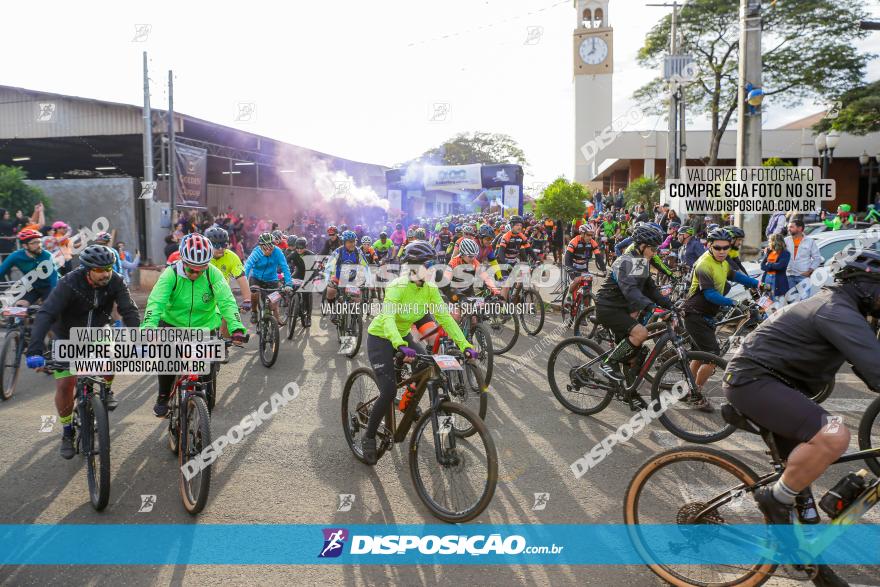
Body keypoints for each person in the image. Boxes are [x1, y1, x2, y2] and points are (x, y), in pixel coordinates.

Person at [723, 249, 880, 526]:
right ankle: (773, 498)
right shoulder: (836, 310)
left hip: (774, 384)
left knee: (804, 508)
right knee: (834, 435)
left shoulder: (844, 307)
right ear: (864, 286)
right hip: (754, 380)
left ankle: (798, 555)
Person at [361, 241, 478, 465]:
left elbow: (443, 318)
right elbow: (387, 318)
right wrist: (398, 344)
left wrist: (465, 345)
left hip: (402, 336)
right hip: (382, 337)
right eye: (428, 264)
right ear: (414, 267)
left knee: (426, 366)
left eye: (432, 264)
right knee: (387, 390)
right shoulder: (398, 286)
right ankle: (368, 437)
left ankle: (407, 404)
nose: (433, 269)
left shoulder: (430, 288)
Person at [25, 245, 140, 457]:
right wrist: (35, 350)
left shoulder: (115, 280)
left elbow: (129, 310)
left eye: (108, 268)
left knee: (111, 357)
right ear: (87, 270)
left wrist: (138, 341)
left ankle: (107, 389)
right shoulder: (68, 283)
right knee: (66, 384)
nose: (105, 273)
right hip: (67, 336)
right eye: (98, 270)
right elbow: (46, 314)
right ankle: (67, 431)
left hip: (97, 332)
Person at [142, 234, 247, 417]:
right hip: (173, 324)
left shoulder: (212, 273)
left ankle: (200, 413)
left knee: (206, 373)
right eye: (191, 270)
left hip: (205, 327)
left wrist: (236, 327)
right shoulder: (171, 274)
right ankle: (163, 396)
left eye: (201, 269)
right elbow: (155, 302)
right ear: (182, 261)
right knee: (168, 360)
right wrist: (149, 327)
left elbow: (227, 301)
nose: (196, 274)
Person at [681, 228, 762, 411]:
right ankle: (696, 394)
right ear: (709, 245)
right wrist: (733, 302)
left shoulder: (723, 261)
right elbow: (709, 294)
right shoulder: (704, 264)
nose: (722, 251)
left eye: (726, 248)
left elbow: (736, 276)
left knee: (699, 354)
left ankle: (688, 390)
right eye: (718, 248)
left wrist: (757, 283)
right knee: (713, 357)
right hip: (695, 314)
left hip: (703, 315)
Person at [594, 224, 671, 391]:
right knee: (641, 333)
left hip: (622, 309)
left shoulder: (639, 261)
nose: (655, 253)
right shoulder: (625, 262)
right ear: (641, 246)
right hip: (608, 308)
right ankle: (609, 364)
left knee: (635, 356)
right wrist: (652, 308)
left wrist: (670, 305)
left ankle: (628, 392)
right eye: (653, 249)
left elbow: (650, 288)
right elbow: (631, 291)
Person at [205, 226, 251, 336]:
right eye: (216, 245)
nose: (221, 248)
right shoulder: (202, 255)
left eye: (224, 245)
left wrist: (247, 300)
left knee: (225, 324)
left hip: (222, 294)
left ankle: (224, 345)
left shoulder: (232, 256)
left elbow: (242, 278)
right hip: (203, 294)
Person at [244, 232, 293, 326]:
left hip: (272, 279)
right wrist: (244, 281)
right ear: (260, 246)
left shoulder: (278, 252)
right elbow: (247, 266)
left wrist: (288, 284)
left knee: (273, 305)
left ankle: (275, 319)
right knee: (254, 293)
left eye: (270, 247)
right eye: (264, 248)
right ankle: (254, 311)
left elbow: (285, 267)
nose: (267, 250)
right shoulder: (257, 252)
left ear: (273, 245)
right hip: (256, 278)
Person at [0, 229, 59, 306]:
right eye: (34, 243)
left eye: (39, 242)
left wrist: (50, 297)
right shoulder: (15, 256)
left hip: (50, 286)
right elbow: (1, 271)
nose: (38, 245)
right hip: (32, 287)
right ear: (25, 246)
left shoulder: (47, 256)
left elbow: (53, 279)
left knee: (48, 307)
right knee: (19, 306)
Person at [324, 230, 370, 324]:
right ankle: (333, 311)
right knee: (330, 290)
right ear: (344, 242)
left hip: (353, 279)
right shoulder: (338, 251)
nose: (352, 244)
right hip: (338, 277)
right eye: (349, 242)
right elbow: (329, 265)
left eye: (354, 241)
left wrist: (368, 280)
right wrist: (326, 278)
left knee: (357, 299)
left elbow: (366, 266)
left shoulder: (358, 252)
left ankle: (354, 316)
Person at [784, 218, 821, 300]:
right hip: (789, 276)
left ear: (800, 228)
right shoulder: (785, 241)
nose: (788, 229)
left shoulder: (810, 241)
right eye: (788, 227)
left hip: (803, 276)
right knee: (790, 301)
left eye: (791, 227)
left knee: (804, 300)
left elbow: (817, 258)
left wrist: (809, 271)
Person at [285, 236, 315, 327]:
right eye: (297, 248)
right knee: (289, 287)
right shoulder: (294, 254)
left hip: (309, 275)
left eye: (301, 248)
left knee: (307, 294)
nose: (299, 250)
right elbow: (284, 262)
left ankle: (308, 317)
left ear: (306, 247)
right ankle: (291, 305)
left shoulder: (311, 255)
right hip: (298, 274)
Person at [759, 234, 789, 300]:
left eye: (770, 241)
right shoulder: (769, 252)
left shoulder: (785, 253)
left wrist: (769, 265)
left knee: (776, 300)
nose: (768, 243)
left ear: (775, 242)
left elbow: (780, 266)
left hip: (777, 280)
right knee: (766, 298)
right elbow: (762, 266)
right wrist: (772, 265)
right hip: (766, 278)